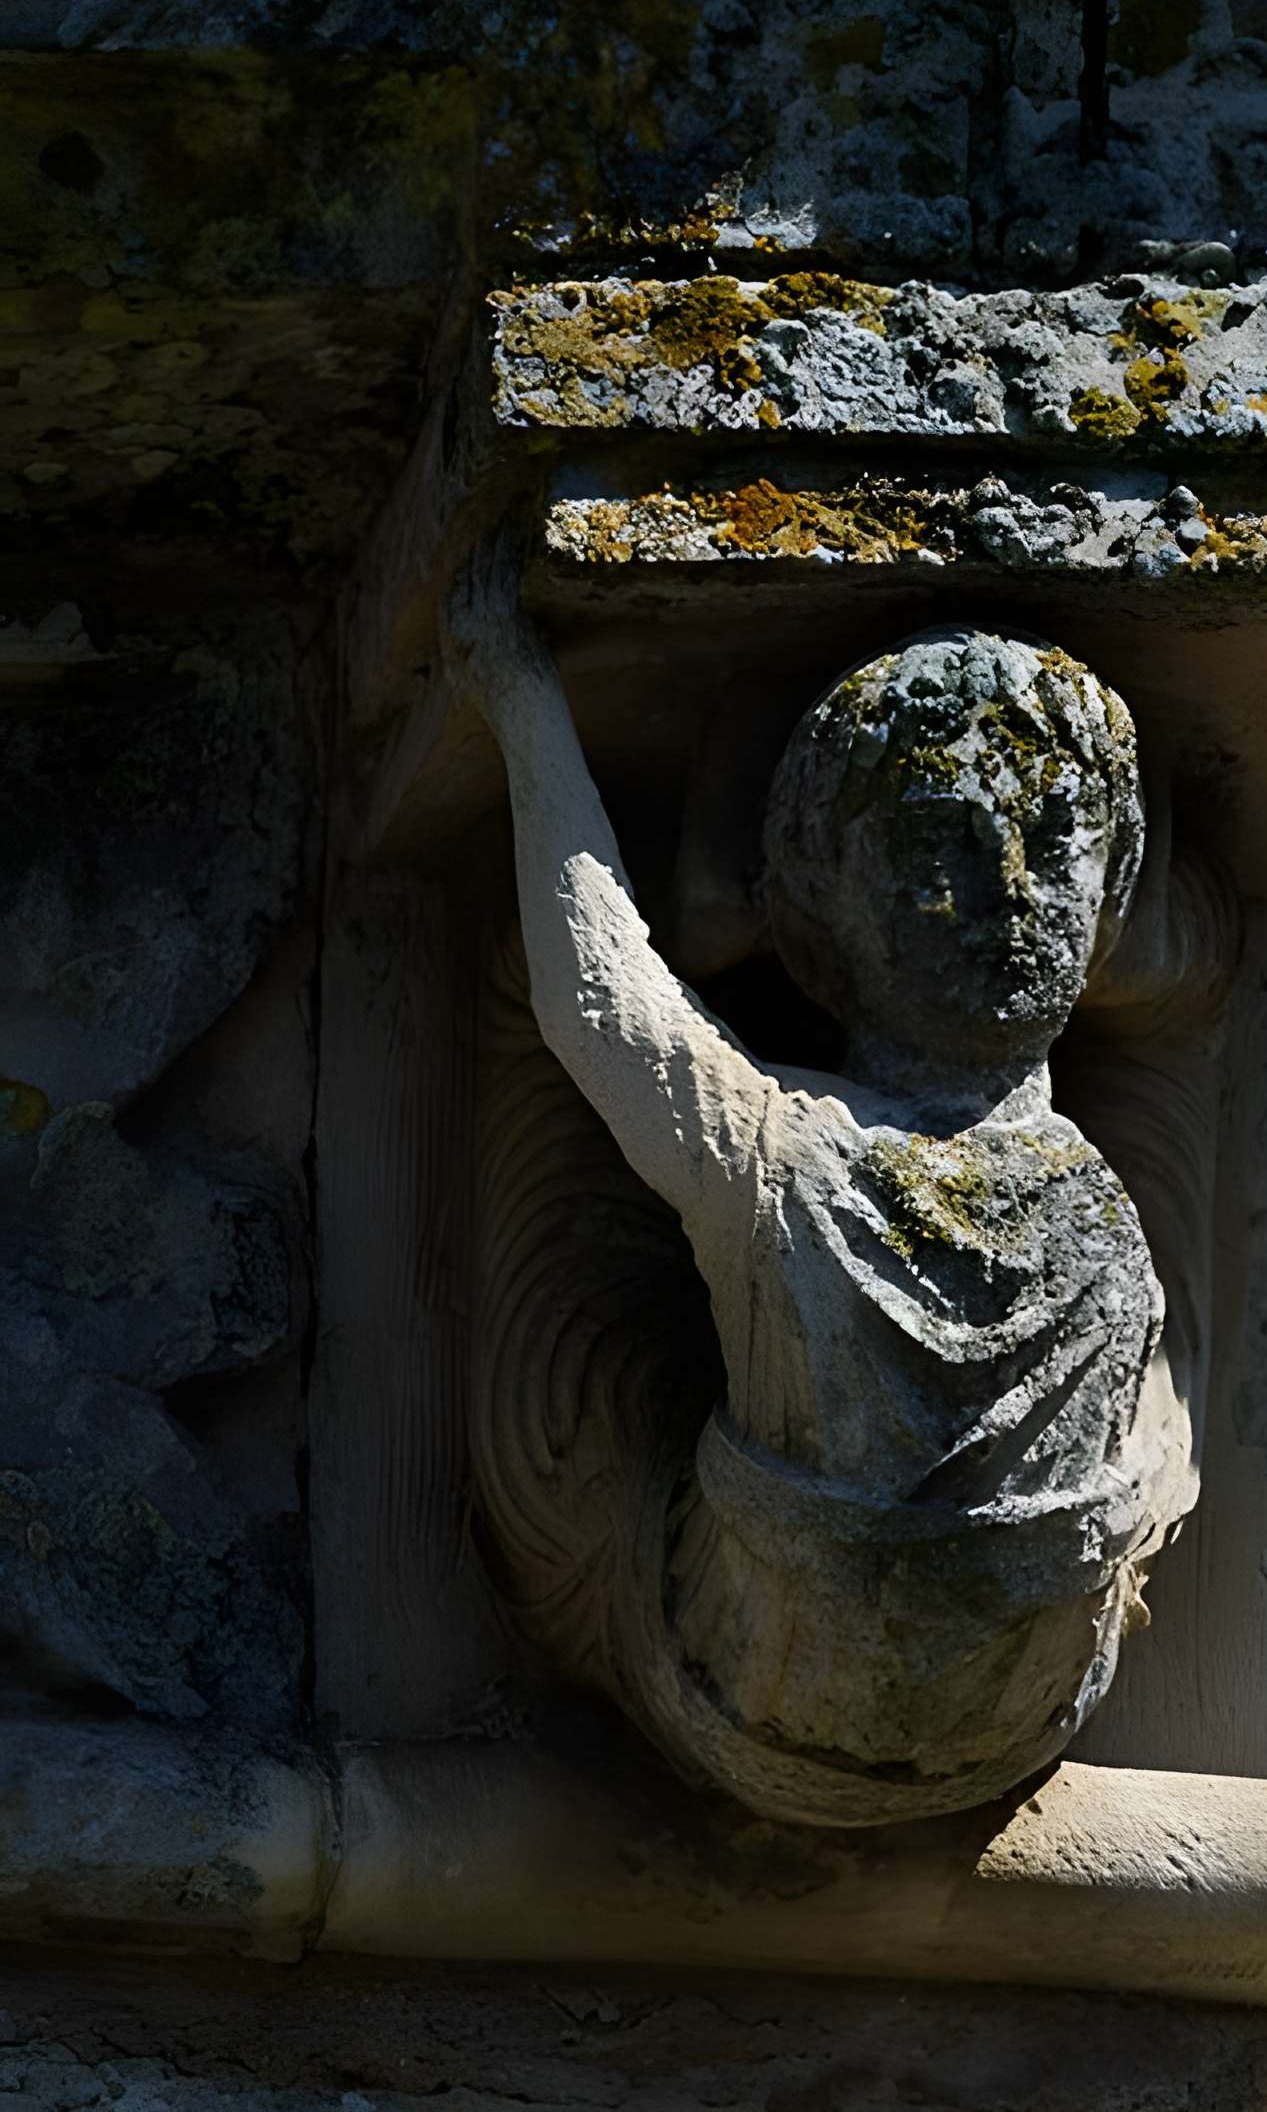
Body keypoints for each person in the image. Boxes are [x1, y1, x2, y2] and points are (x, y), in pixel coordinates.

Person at [446, 565, 1195, 1823]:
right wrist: (522, 705)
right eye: (937, 839)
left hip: (920, 1708)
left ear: (1115, 882)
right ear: (820, 891)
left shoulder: (1075, 1210)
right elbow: (604, 998)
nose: (1009, 888)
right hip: (749, 1693)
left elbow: (600, 1000)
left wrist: (519, 694)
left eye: (1057, 836)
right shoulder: (792, 1160)